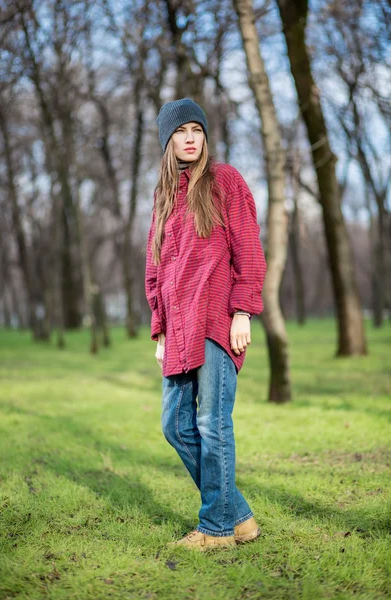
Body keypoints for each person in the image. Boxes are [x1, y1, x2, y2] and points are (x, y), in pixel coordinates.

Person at [145, 98, 267, 552]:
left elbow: (249, 249)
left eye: (197, 129)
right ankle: (238, 518)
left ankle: (216, 530)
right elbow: (155, 265)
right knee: (175, 426)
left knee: (213, 423)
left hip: (217, 318)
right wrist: (158, 328)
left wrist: (242, 311)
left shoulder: (225, 181)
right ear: (168, 140)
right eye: (181, 131)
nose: (190, 138)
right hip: (177, 327)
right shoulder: (163, 195)